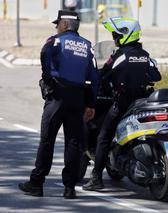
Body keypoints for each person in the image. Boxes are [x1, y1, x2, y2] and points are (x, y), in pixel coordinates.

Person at [18, 10, 98, 199]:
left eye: (57, 24)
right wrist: (90, 104)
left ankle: (37, 183)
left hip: (58, 97)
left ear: (64, 25)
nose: (56, 27)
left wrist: (48, 78)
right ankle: (69, 188)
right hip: (78, 98)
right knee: (73, 143)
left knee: (47, 140)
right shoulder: (88, 46)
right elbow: (94, 77)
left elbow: (44, 53)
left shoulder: (55, 41)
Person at [83, 17, 161, 191]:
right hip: (142, 103)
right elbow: (156, 76)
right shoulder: (145, 56)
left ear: (125, 35)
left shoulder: (120, 56)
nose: (114, 38)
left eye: (116, 34)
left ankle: (96, 178)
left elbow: (103, 75)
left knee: (103, 137)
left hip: (123, 103)